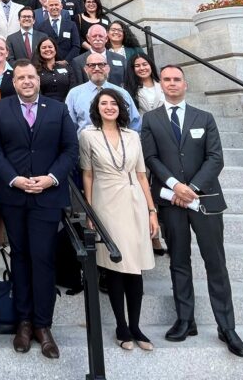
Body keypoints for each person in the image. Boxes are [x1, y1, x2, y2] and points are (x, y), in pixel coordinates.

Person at [139, 65, 243, 359]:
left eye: (177, 80)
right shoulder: (150, 120)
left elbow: (216, 158)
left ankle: (227, 326)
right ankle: (185, 319)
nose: (172, 84)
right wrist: (176, 187)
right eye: (167, 80)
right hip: (171, 201)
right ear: (160, 85)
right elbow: (150, 158)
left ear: (185, 85)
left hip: (205, 200)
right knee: (179, 261)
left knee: (215, 262)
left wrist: (193, 188)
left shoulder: (205, 117)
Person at [0, 61, 78, 359]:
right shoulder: (0, 109)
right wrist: (14, 178)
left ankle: (43, 325)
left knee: (43, 259)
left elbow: (70, 150)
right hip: (14, 196)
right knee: (21, 258)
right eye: (21, 77)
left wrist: (50, 179)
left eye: (31, 77)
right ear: (13, 81)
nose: (26, 81)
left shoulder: (58, 109)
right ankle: (24, 322)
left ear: (39, 80)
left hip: (47, 196)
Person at [80, 89, 158, 352]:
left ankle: (136, 326)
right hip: (106, 202)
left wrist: (151, 210)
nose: (109, 107)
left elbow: (142, 175)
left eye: (113, 103)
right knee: (115, 265)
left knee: (135, 267)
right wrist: (89, 211)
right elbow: (87, 175)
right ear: (97, 108)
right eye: (104, 103)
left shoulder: (133, 135)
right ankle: (121, 325)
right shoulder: (88, 135)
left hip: (134, 199)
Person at [66, 52, 141, 132]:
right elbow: (70, 126)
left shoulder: (122, 93)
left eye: (101, 64)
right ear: (85, 69)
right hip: (85, 143)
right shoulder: (74, 94)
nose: (97, 68)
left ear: (108, 68)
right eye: (92, 65)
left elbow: (135, 124)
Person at [33, 37, 74, 103]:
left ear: (55, 49)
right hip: (44, 105)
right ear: (39, 51)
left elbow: (73, 86)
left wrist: (66, 103)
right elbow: (36, 91)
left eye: (50, 47)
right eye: (44, 48)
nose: (47, 49)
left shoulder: (66, 67)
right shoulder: (35, 70)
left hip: (67, 104)